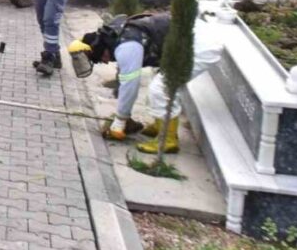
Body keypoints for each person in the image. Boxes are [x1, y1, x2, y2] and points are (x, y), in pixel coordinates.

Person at [71, 11, 223, 154]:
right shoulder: (119, 36)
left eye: (101, 59)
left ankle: (168, 140)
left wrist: (120, 120)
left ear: (100, 49)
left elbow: (130, 85)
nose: (105, 62)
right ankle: (161, 126)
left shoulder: (126, 46)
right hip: (193, 38)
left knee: (160, 88)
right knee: (158, 85)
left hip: (200, 45)